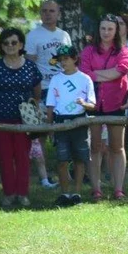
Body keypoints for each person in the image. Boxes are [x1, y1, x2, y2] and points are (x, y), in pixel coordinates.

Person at [0, 27, 41, 208]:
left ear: (21, 44)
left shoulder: (31, 67)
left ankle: (23, 194)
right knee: (5, 157)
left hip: (24, 120)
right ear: (1, 46)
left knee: (23, 157)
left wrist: (30, 109)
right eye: (6, 43)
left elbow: (36, 93)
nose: (10, 46)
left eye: (14, 42)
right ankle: (8, 194)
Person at [79, 14, 128, 200]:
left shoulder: (123, 50)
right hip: (93, 103)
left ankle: (118, 189)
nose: (106, 32)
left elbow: (122, 70)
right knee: (95, 146)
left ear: (116, 30)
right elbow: (83, 73)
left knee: (117, 146)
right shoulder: (88, 51)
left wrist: (95, 74)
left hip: (116, 102)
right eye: (103, 28)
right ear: (98, 30)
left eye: (110, 29)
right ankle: (96, 189)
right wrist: (106, 75)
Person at [45, 44, 96, 205]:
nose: (63, 62)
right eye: (60, 60)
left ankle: (77, 193)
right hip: (60, 122)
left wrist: (84, 103)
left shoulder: (85, 79)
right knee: (62, 160)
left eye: (66, 59)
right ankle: (64, 193)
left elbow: (92, 105)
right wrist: (50, 125)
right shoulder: (56, 79)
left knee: (80, 159)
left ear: (75, 59)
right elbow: (50, 105)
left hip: (80, 122)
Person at [26, 0, 72, 102]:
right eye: (44, 11)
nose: (47, 14)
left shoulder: (64, 35)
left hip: (63, 86)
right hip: (43, 88)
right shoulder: (32, 36)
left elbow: (70, 62)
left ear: (58, 14)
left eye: (51, 11)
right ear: (40, 14)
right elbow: (29, 66)